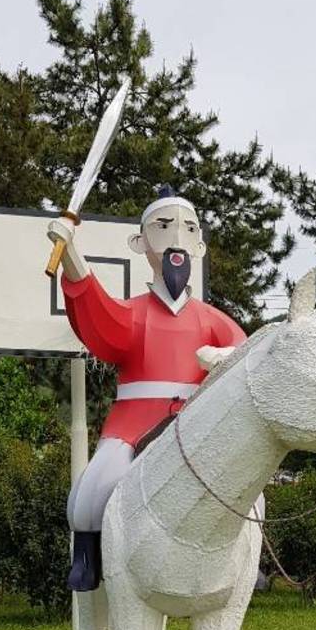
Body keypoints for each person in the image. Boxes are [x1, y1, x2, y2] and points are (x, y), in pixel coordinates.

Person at [47, 186, 245, 590]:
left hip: (196, 424)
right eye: (163, 227)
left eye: (189, 230)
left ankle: (239, 561)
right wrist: (71, 255)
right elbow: (99, 319)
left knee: (243, 485)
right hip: (133, 424)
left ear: (200, 246)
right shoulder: (134, 313)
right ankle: (88, 558)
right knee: (94, 487)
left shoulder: (212, 319)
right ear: (140, 242)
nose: (176, 240)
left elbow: (244, 356)